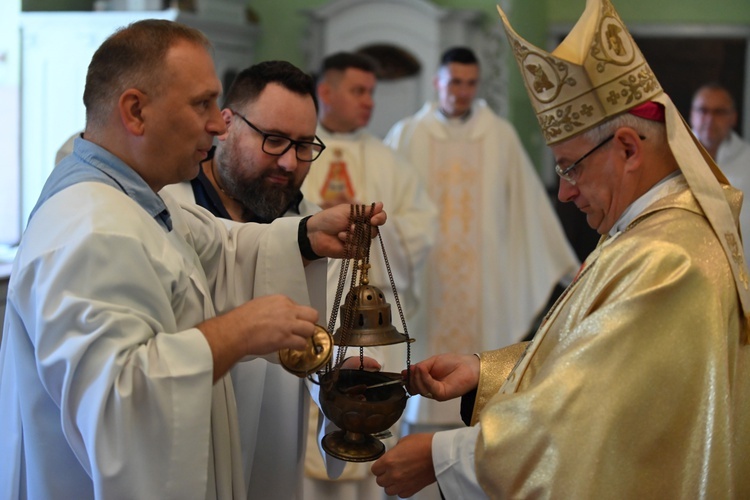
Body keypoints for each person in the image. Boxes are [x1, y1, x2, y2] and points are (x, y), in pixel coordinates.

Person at [371, 0, 750, 497]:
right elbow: (600, 357)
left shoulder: (668, 259)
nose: (565, 192)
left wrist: (443, 457)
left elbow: (584, 421)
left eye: (570, 166)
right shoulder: (649, 233)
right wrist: (488, 370)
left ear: (629, 149)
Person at [0, 20, 386, 499]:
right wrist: (237, 331)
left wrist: (306, 237)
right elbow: (118, 404)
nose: (215, 123)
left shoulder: (136, 201)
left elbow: (223, 250)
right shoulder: (90, 229)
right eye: (201, 103)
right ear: (136, 111)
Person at [160, 60, 339, 500]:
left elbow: (323, 337)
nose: (288, 162)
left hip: (273, 453)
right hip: (181, 446)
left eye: (303, 146)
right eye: (274, 140)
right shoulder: (167, 206)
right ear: (225, 123)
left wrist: (339, 375)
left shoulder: (308, 223)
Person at [384, 46, 579, 435]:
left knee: (482, 415)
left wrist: (569, 269)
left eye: (470, 83)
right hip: (428, 282)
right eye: (454, 82)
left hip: (481, 287)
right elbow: (386, 205)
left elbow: (530, 206)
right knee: (421, 395)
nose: (462, 91)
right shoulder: (407, 135)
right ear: (438, 82)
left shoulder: (499, 136)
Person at [300, 52, 437, 499]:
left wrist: (376, 231)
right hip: (307, 312)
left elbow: (421, 225)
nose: (369, 102)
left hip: (364, 320)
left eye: (372, 93)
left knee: (362, 402)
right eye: (358, 91)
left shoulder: (388, 160)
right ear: (326, 92)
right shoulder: (298, 152)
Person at [690, 82, 750, 263]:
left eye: (719, 112)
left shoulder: (748, 158)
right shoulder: (671, 156)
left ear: (733, 117)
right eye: (702, 110)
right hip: (689, 263)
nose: (709, 118)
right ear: (692, 114)